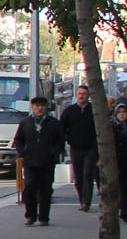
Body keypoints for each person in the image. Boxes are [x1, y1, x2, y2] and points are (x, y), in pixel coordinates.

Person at [11, 96, 66, 226]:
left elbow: (60, 140)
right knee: (29, 187)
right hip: (30, 162)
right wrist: (23, 152)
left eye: (42, 105)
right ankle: (30, 215)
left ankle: (44, 217)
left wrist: (54, 152)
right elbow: (18, 140)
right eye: (37, 106)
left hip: (47, 162)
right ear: (32, 107)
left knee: (46, 190)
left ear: (46, 107)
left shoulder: (53, 123)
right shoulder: (25, 122)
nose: (40, 108)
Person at [60, 85, 99, 212]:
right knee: (79, 176)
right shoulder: (69, 111)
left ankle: (86, 202)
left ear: (88, 96)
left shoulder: (94, 111)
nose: (81, 96)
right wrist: (68, 138)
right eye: (80, 93)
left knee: (88, 174)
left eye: (84, 94)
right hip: (75, 148)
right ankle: (82, 199)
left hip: (90, 149)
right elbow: (62, 127)